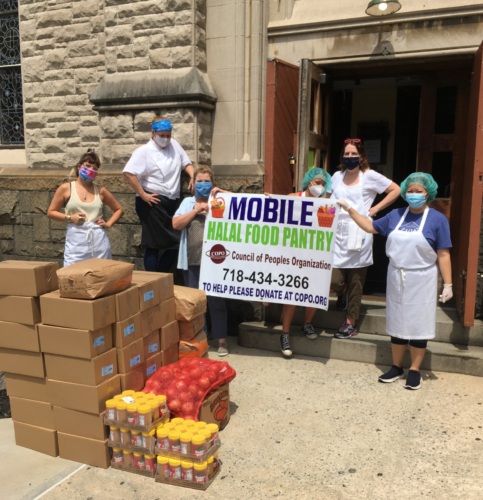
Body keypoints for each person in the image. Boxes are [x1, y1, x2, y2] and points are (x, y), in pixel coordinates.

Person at [336, 172, 452, 390]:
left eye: (419, 191)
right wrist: (349, 209)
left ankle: (415, 369)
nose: (414, 194)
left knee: (418, 324)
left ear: (428, 194)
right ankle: (396, 366)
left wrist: (448, 284)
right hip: (397, 275)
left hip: (423, 278)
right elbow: (370, 227)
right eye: (410, 190)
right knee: (397, 321)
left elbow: (443, 253)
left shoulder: (438, 219)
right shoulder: (395, 215)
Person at [330, 138, 400, 339]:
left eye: (354, 154)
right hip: (337, 232)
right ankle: (341, 293)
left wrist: (375, 209)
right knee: (333, 277)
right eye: (347, 154)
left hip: (359, 231)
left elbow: (396, 189)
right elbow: (326, 199)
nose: (350, 157)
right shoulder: (336, 176)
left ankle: (351, 322)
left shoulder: (369, 176)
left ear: (361, 158)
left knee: (356, 281)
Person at [123, 116, 195, 273]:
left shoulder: (174, 145)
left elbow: (186, 163)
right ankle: (154, 278)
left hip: (172, 199)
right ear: (153, 133)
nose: (165, 139)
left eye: (168, 135)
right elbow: (129, 173)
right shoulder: (143, 151)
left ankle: (160, 275)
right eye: (162, 135)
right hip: (152, 201)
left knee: (176, 242)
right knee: (153, 243)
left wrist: (192, 176)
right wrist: (142, 194)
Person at [172, 166, 230, 356]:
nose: (203, 184)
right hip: (192, 262)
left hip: (217, 262)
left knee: (217, 301)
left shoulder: (220, 201)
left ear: (213, 183)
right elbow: (176, 224)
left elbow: (241, 208)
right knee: (196, 303)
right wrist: (195, 211)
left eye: (207, 181)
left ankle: (221, 340)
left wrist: (224, 194)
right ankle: (201, 340)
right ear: (193, 184)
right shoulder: (188, 202)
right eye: (200, 181)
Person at [279, 167, 333, 357]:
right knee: (292, 296)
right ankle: (284, 334)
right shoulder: (293, 197)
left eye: (323, 183)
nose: (320, 186)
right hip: (293, 255)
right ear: (309, 182)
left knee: (315, 291)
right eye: (317, 182)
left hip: (316, 256)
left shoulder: (326, 204)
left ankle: (307, 323)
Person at [47, 149, 124, 267]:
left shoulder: (101, 190)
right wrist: (70, 217)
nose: (91, 170)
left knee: (101, 271)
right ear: (79, 167)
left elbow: (119, 209)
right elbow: (51, 212)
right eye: (88, 166)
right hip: (76, 240)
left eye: (95, 168)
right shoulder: (66, 188)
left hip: (98, 238)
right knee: (72, 272)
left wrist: (108, 224)